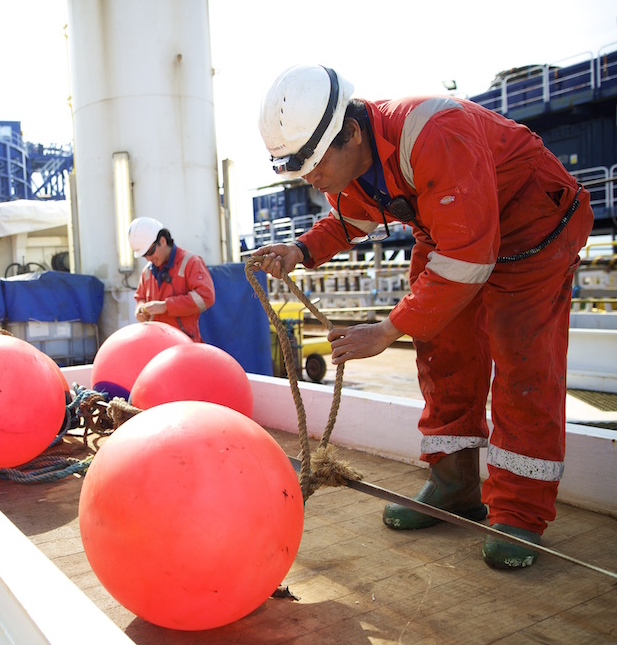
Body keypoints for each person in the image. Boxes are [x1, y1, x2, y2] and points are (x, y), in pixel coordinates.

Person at [254, 65, 593, 569]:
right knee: (443, 353)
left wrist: (389, 330)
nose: (310, 179)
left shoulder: (435, 132)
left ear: (350, 132)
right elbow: (350, 217)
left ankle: (520, 514)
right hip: (453, 234)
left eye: (314, 166)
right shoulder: (352, 162)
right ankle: (455, 485)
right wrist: (300, 250)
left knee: (524, 365)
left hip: (535, 231)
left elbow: (468, 259)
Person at [127, 216, 216, 343]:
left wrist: (166, 306)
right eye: (144, 255)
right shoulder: (147, 271)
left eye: (150, 252)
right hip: (156, 345)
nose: (148, 258)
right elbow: (140, 298)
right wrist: (140, 309)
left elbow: (206, 296)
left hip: (184, 345)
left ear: (162, 241)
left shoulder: (191, 262)